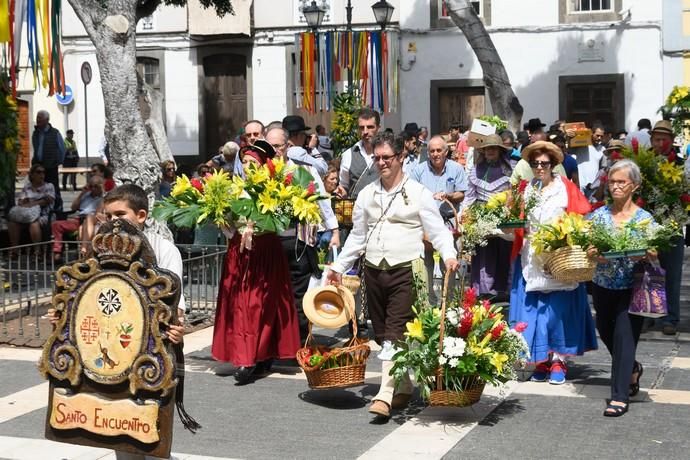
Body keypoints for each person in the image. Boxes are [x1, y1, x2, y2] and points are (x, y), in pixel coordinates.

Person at [327, 131, 459, 421]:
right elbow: (357, 237)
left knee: (396, 332)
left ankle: (384, 394)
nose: (382, 163)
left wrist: (449, 254)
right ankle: (403, 384)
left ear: (401, 158)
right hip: (374, 270)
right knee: (384, 332)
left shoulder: (419, 192)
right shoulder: (366, 194)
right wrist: (337, 267)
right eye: (377, 158)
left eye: (387, 157)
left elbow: (437, 230)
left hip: (406, 269)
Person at [48, 183, 186, 460]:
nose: (112, 222)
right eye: (108, 216)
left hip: (148, 356)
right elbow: (85, 297)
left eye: (120, 215)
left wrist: (178, 329)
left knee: (151, 433)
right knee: (119, 436)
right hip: (110, 354)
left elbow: (173, 306)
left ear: (142, 215)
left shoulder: (164, 249)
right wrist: (63, 317)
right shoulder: (100, 252)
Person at [211, 140, 302, 384]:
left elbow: (284, 219)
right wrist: (220, 218)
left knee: (262, 305)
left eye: (254, 162)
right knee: (241, 305)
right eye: (245, 163)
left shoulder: (274, 188)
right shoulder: (234, 189)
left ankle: (261, 353)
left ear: (263, 165)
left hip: (265, 251)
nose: (249, 167)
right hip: (240, 252)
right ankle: (245, 358)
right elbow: (227, 221)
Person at [508, 141, 597, 385]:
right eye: (535, 163)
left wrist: (568, 240)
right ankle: (542, 358)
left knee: (558, 312)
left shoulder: (565, 188)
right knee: (535, 310)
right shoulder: (525, 189)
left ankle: (559, 359)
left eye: (544, 163)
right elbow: (514, 219)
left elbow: (582, 218)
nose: (539, 167)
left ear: (553, 165)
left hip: (559, 257)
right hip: (531, 257)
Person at [586, 160, 653, 417]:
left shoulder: (644, 219)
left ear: (633, 186)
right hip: (602, 285)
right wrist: (594, 254)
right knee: (605, 330)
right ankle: (632, 368)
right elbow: (588, 248)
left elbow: (654, 252)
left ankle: (619, 396)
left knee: (624, 338)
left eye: (621, 182)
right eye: (612, 182)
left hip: (632, 287)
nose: (615, 186)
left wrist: (645, 255)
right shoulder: (599, 215)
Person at [265, 127, 340, 340]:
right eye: (270, 146)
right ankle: (278, 343)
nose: (274, 151)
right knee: (274, 296)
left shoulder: (305, 171)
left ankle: (299, 343)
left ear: (288, 146)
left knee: (299, 297)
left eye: (278, 146)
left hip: (299, 242)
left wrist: (333, 230)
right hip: (271, 243)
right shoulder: (262, 173)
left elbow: (322, 201)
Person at [411, 135, 467, 304]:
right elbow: (412, 194)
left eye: (438, 150)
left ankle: (449, 303)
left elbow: (462, 193)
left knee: (449, 261)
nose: (435, 154)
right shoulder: (419, 170)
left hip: (449, 221)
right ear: (428, 153)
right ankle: (426, 302)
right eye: (432, 151)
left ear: (446, 151)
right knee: (424, 262)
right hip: (425, 222)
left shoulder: (456, 168)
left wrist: (448, 195)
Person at [462, 134, 513, 301]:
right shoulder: (475, 169)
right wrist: (466, 215)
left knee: (503, 251)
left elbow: (513, 194)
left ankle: (502, 288)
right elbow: (469, 196)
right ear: (483, 151)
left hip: (503, 214)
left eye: (493, 148)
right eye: (487, 148)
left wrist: (507, 210)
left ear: (499, 150)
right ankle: (482, 290)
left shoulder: (509, 169)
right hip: (481, 213)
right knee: (483, 252)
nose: (490, 151)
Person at [650, 120, 685, 335]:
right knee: (649, 274)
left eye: (664, 139)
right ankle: (651, 315)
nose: (660, 143)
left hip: (672, 227)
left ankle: (670, 318)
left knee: (671, 275)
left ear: (671, 141)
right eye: (656, 139)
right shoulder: (643, 163)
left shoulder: (681, 164)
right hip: (648, 227)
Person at [51, 175, 104, 263]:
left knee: (83, 227)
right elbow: (73, 207)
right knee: (56, 224)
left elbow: (98, 213)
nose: (93, 189)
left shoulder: (103, 199)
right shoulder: (86, 195)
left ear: (100, 186)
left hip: (91, 220)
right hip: (78, 218)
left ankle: (84, 253)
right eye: (91, 186)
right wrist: (82, 193)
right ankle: (57, 252)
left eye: (96, 186)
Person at [8, 164, 55, 254]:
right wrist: (30, 203)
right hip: (27, 214)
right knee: (12, 222)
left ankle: (37, 251)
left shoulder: (49, 186)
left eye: (43, 172)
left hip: (45, 214)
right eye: (38, 172)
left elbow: (46, 201)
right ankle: (15, 249)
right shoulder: (27, 187)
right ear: (32, 175)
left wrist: (30, 203)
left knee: (34, 223)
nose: (42, 174)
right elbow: (21, 202)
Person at [335, 107, 381, 199]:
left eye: (370, 127)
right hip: (357, 210)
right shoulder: (348, 155)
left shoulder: (387, 154)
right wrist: (341, 193)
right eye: (361, 128)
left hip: (382, 210)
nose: (365, 131)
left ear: (378, 128)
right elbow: (344, 186)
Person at [32, 110, 65, 212]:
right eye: (37, 117)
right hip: (38, 165)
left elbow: (62, 149)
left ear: (47, 120)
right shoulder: (36, 133)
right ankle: (42, 209)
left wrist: (57, 162)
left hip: (51, 166)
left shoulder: (55, 133)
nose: (37, 120)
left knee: (53, 188)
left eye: (40, 118)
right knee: (39, 189)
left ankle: (57, 209)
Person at [570, 123, 605, 196]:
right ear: (591, 133)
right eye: (597, 135)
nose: (599, 138)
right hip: (580, 184)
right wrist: (570, 137)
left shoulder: (602, 149)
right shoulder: (582, 145)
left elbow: (603, 168)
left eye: (601, 136)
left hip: (593, 186)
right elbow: (570, 147)